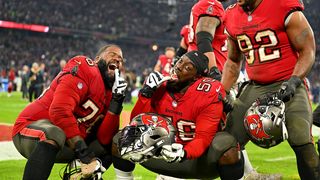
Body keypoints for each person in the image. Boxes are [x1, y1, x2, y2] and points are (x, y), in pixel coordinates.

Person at [221, 0, 319, 179]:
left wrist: (294, 80)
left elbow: (308, 49)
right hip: (255, 85)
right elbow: (233, 61)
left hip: (288, 83)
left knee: (301, 140)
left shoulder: (282, 5)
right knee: (226, 144)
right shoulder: (231, 15)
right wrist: (222, 91)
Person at [112, 51, 244, 180]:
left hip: (195, 160)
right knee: (121, 138)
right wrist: (146, 94)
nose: (179, 67)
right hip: (160, 154)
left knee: (226, 145)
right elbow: (136, 123)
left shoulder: (207, 94)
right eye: (180, 61)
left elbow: (203, 139)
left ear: (197, 78)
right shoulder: (160, 87)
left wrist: (183, 153)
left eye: (187, 67)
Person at [12, 44, 128, 180]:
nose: (118, 60)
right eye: (113, 55)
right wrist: (85, 154)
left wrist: (116, 102)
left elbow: (105, 139)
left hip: (70, 142)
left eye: (120, 59)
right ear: (97, 59)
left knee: (120, 140)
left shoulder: (111, 92)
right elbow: (59, 111)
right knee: (55, 133)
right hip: (30, 129)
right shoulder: (86, 67)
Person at [187, 0, 228, 80]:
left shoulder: (203, 4)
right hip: (207, 72)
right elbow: (204, 39)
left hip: (197, 70)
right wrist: (213, 71)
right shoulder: (211, 4)